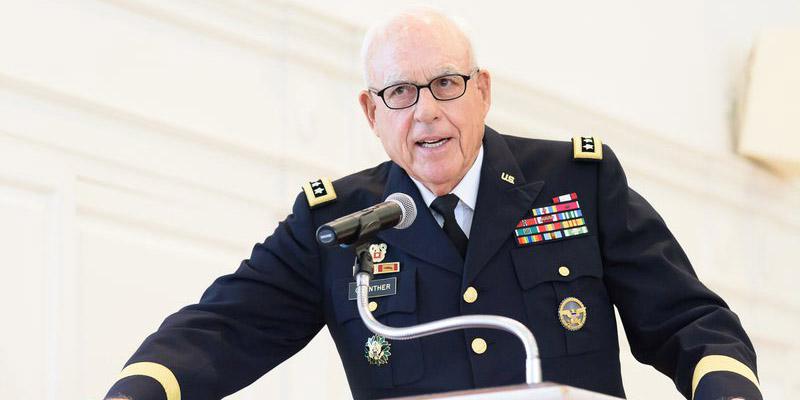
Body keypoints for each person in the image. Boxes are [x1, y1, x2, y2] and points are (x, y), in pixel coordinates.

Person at [105, 8, 762, 400]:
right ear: (371, 112)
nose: (426, 112)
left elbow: (684, 318)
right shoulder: (337, 223)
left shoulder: (575, 182)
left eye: (445, 84)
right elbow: (225, 326)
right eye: (399, 93)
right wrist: (142, 388)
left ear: (482, 91)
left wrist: (725, 387)